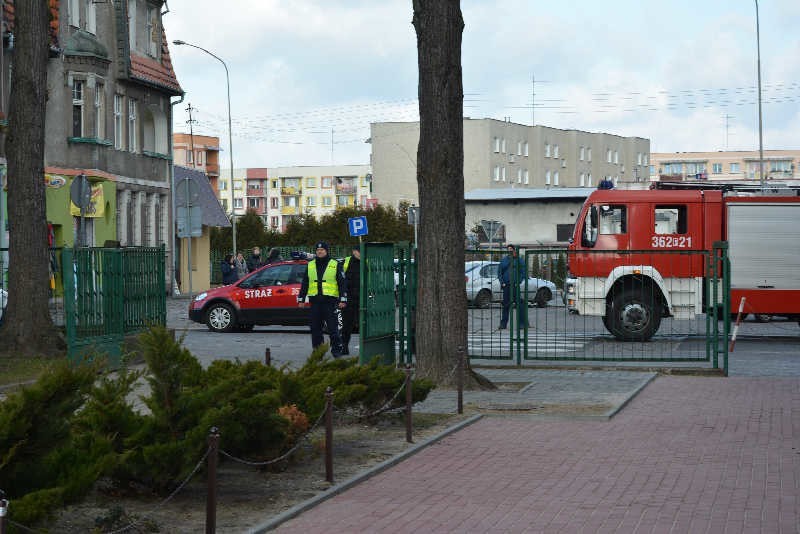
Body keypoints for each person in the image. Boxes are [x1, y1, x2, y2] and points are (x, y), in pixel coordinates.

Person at [298, 241, 347, 357]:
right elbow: (305, 283)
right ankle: (318, 351)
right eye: (318, 250)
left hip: (330, 302)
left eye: (322, 250)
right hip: (315, 302)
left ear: (326, 251)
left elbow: (342, 283)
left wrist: (343, 299)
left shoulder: (335, 264)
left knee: (333, 329)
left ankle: (336, 351)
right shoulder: (310, 265)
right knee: (315, 329)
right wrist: (301, 299)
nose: (320, 252)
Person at [497, 244, 526, 330]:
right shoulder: (504, 260)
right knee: (506, 305)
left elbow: (523, 272)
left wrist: (519, 281)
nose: (509, 250)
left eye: (511, 249)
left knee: (519, 305)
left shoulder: (519, 260)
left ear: (514, 250)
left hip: (515, 285)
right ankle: (503, 324)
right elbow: (499, 273)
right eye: (508, 249)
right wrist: (502, 283)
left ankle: (522, 323)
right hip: (506, 285)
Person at [340, 245, 361, 355]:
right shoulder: (346, 262)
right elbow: (340, 280)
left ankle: (364, 348)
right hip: (348, 299)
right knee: (347, 325)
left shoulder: (366, 261)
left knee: (362, 325)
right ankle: (344, 346)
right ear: (353, 251)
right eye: (358, 251)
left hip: (362, 299)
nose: (360, 254)